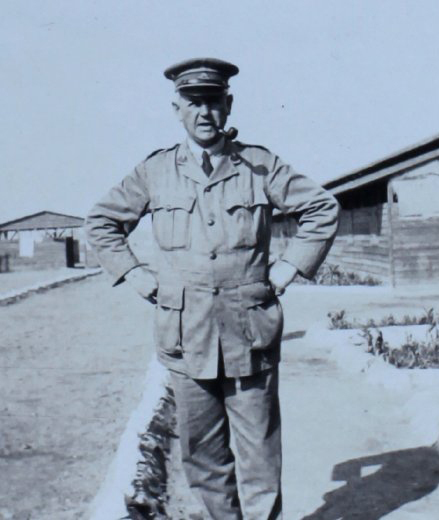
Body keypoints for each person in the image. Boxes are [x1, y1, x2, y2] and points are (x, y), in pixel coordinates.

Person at [85, 58, 339, 519]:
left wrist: (287, 269)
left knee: (259, 456)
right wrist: (136, 274)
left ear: (229, 105)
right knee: (203, 457)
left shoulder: (260, 167)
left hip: (250, 332)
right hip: (186, 337)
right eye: (193, 103)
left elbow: (321, 208)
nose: (204, 113)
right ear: (176, 109)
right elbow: (102, 221)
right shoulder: (155, 172)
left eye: (213, 102)